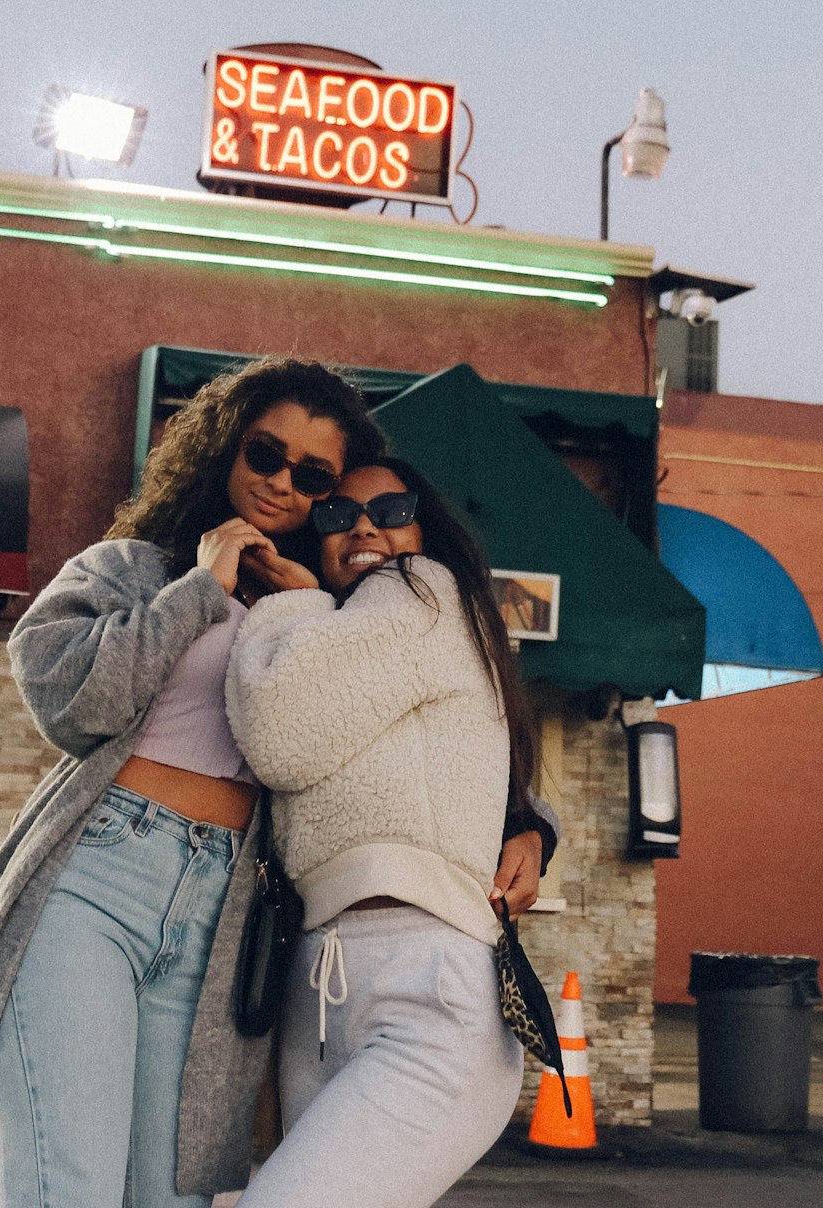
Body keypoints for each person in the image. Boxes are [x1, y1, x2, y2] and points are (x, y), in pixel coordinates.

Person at [0, 358, 552, 1208]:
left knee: (168, 1188)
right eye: (265, 453)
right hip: (98, 875)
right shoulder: (135, 569)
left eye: (314, 477)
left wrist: (530, 821)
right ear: (225, 448)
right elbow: (68, 701)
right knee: (67, 1182)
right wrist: (197, 589)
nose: (284, 483)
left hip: (223, 922)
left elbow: (426, 742)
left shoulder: (336, 613)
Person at [225, 456, 552, 1208]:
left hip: (426, 988)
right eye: (337, 516)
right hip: (317, 989)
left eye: (391, 508)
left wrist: (293, 605)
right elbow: (494, 780)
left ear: (426, 526)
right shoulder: (349, 641)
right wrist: (533, 828)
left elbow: (280, 735)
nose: (364, 525)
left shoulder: (423, 589)